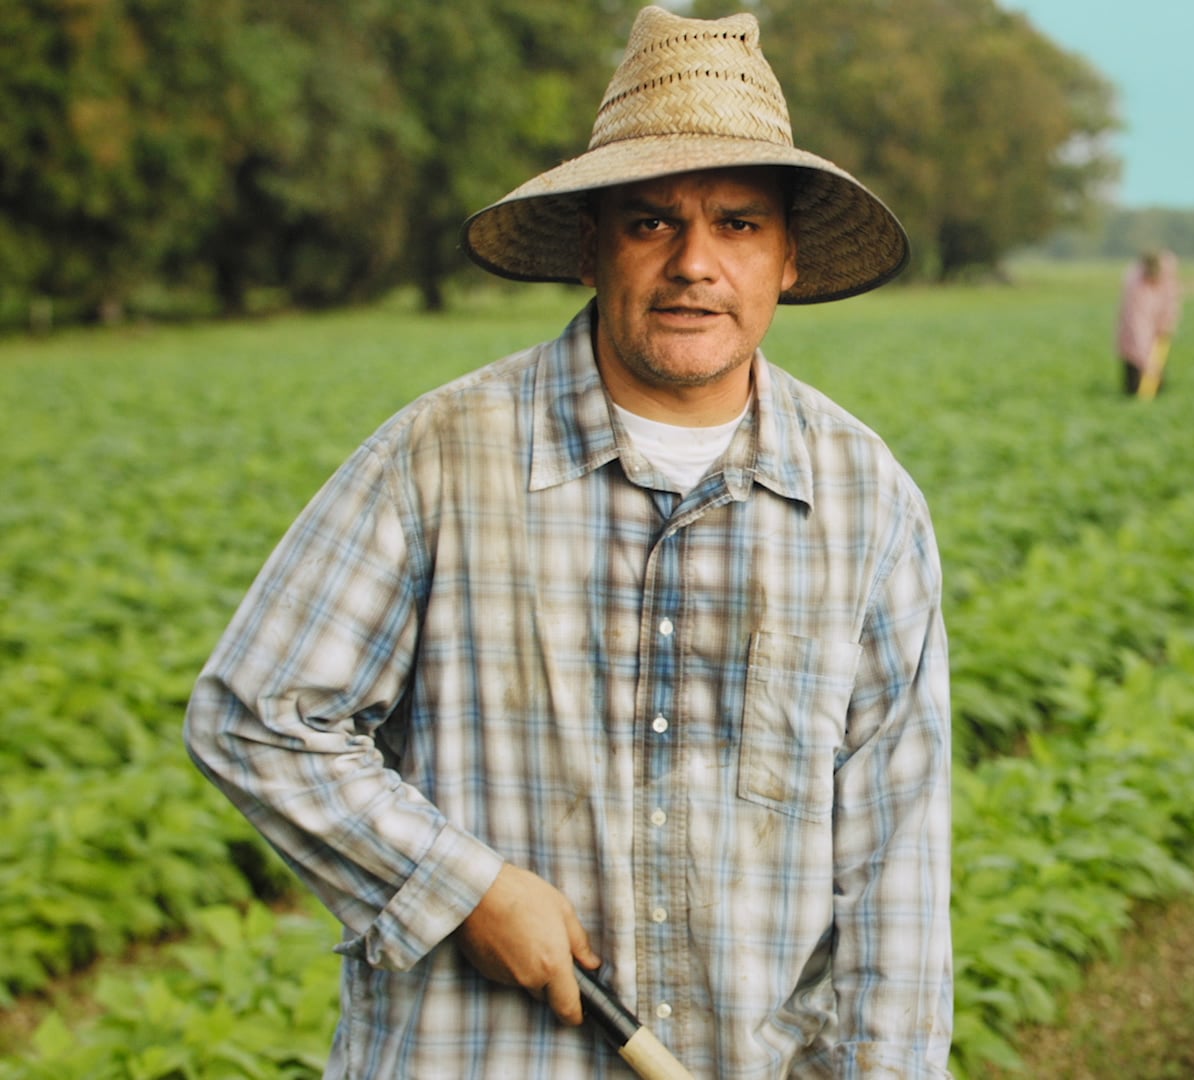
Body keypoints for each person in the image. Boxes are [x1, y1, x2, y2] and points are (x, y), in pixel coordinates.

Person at [182, 8, 952, 1078]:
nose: (695, 264)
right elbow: (258, 714)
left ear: (786, 259)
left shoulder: (866, 501)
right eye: (651, 223)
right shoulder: (441, 457)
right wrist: (465, 887)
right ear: (591, 247)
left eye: (737, 224)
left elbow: (895, 868)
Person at [1114, 248, 1181, 397]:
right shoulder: (1136, 286)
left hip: (1158, 336)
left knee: (1158, 377)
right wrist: (1145, 360)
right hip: (1134, 337)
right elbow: (1138, 325)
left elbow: (1171, 303)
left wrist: (1166, 324)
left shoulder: (1167, 275)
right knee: (1135, 382)